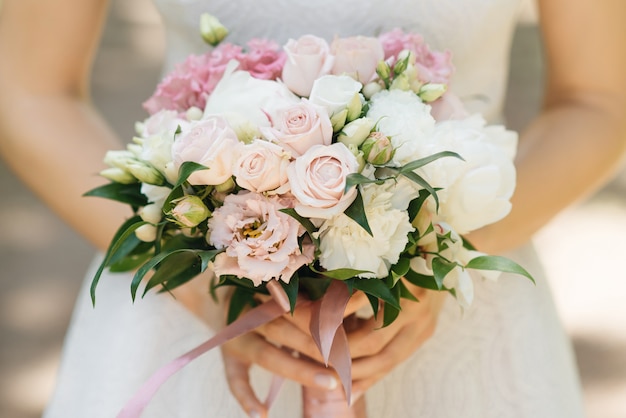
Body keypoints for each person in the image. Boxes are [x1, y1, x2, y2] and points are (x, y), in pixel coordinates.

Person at [1, 0, 625, 417]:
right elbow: (29, 89)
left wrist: (439, 261)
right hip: (191, 301)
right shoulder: (196, 291)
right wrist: (200, 286)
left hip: (459, 305)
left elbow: (597, 97)